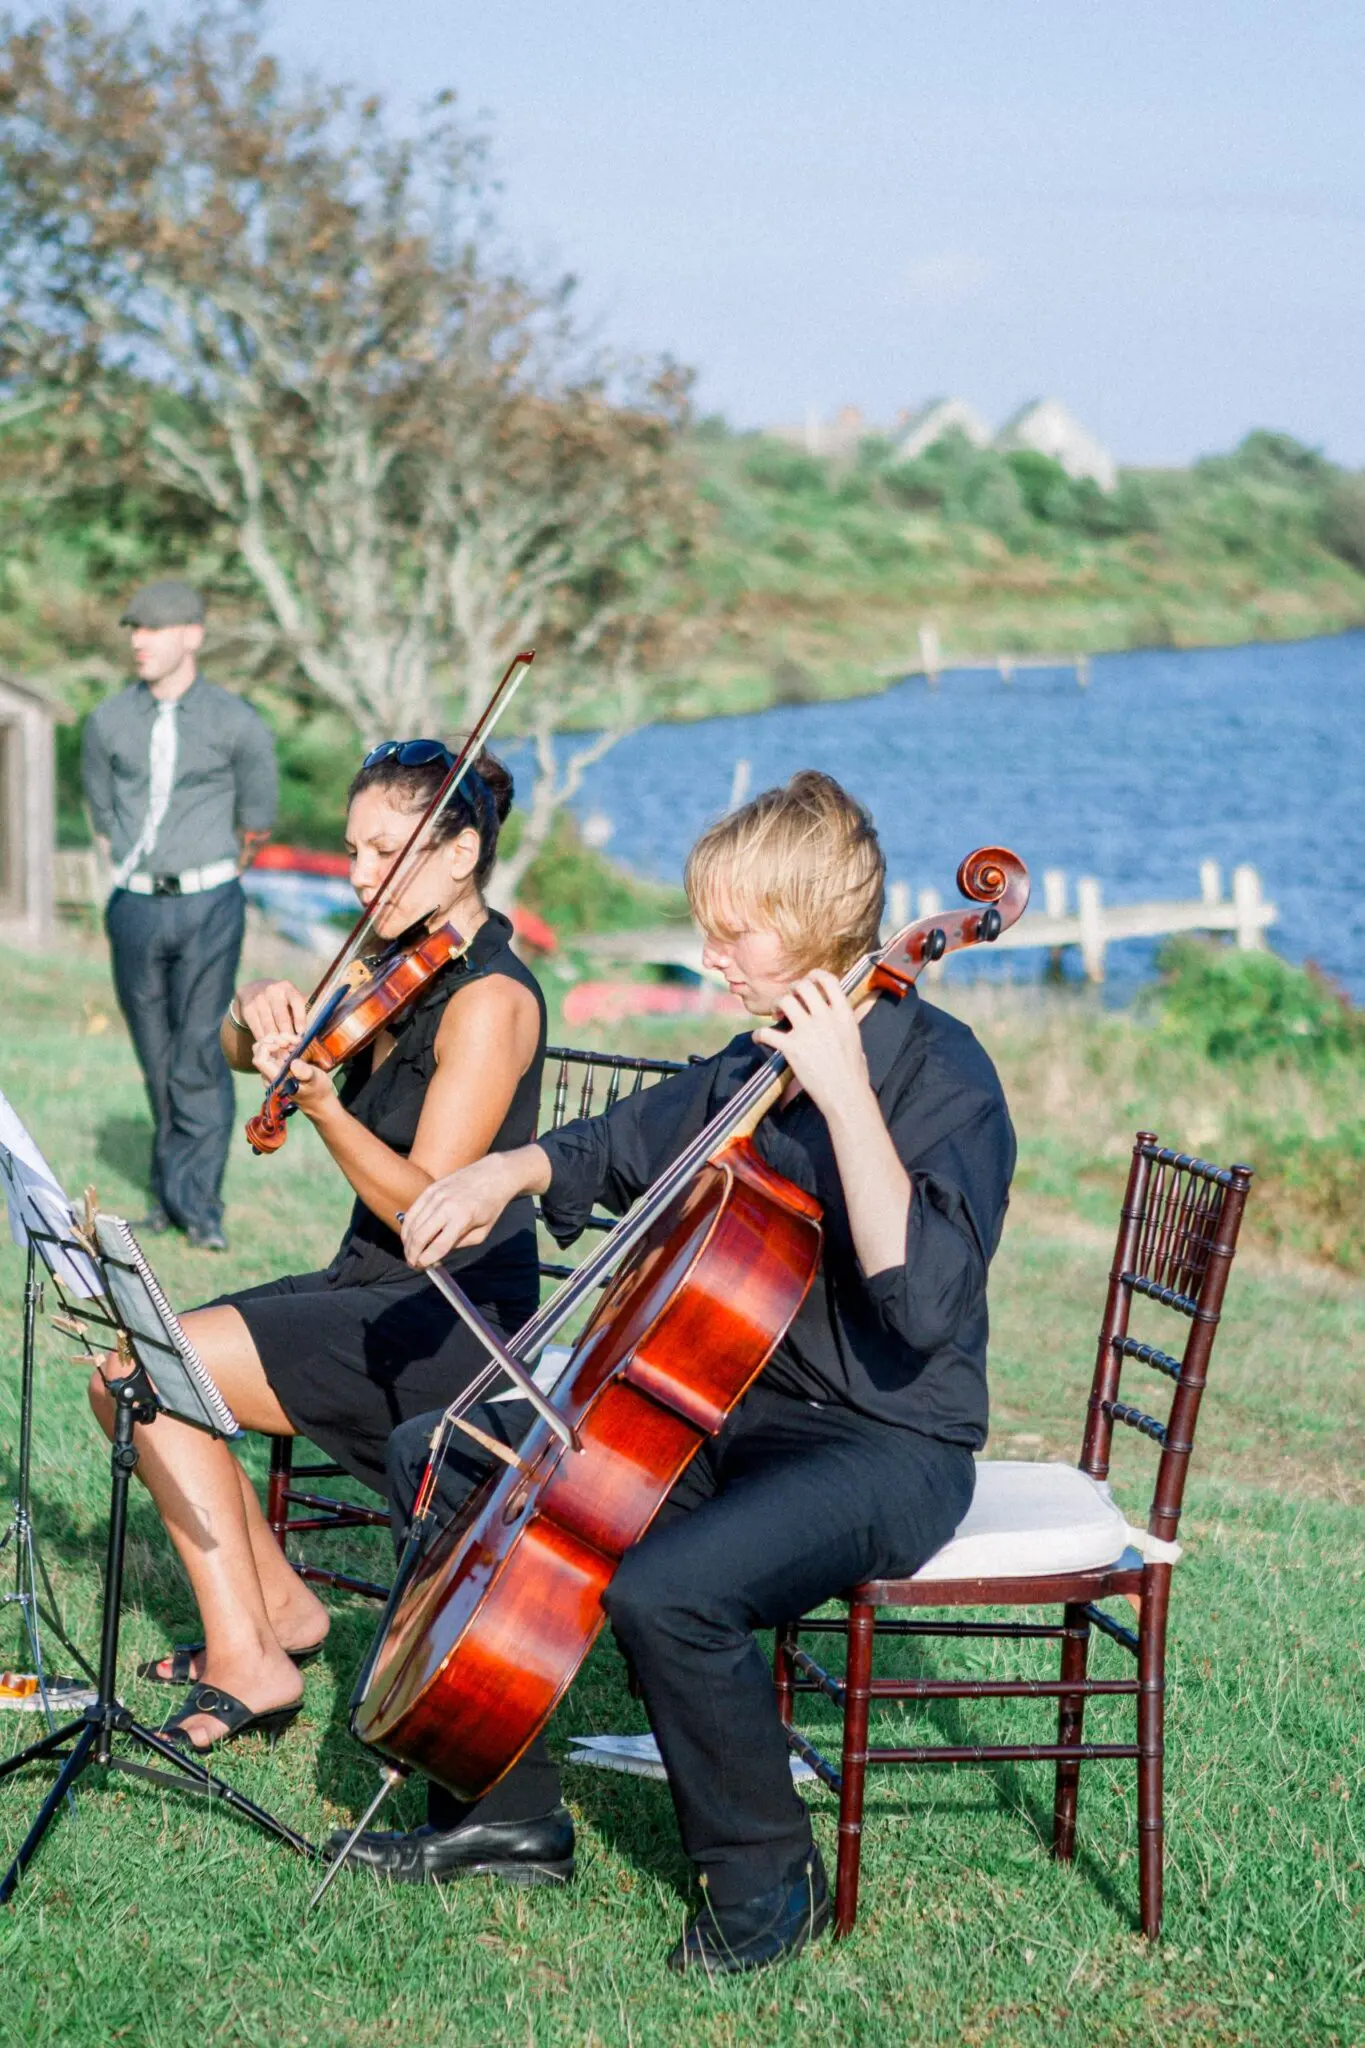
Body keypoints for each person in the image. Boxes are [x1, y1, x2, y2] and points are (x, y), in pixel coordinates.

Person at [333, 770, 1017, 1978]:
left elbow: (919, 1298)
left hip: (887, 1441)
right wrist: (504, 1174)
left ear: (812, 924)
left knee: (669, 1593)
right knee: (443, 1452)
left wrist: (845, 1094)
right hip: (729, 1410)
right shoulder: (756, 1061)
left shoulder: (943, 1078)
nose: (712, 958)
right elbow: (622, 1140)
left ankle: (767, 1879)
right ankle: (503, 1808)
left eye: (734, 933)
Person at [87, 739, 546, 1757]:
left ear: (460, 854)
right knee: (126, 1371)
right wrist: (252, 1013)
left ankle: (249, 1659)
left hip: (451, 1318)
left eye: (387, 853)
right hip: (367, 1287)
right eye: (353, 850)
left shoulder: (491, 1000)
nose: (361, 876)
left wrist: (329, 1110)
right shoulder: (394, 965)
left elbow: (428, 1209)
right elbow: (233, 1049)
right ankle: (283, 1611)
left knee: (143, 1374)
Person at [81, 579, 278, 1252]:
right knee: (156, 1055)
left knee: (198, 1052)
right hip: (133, 906)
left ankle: (200, 1208)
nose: (140, 641)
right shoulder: (108, 720)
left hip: (209, 904)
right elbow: (101, 812)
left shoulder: (236, 721)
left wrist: (206, 876)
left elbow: (257, 821)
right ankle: (168, 1197)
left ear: (192, 635)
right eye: (134, 629)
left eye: (155, 629)